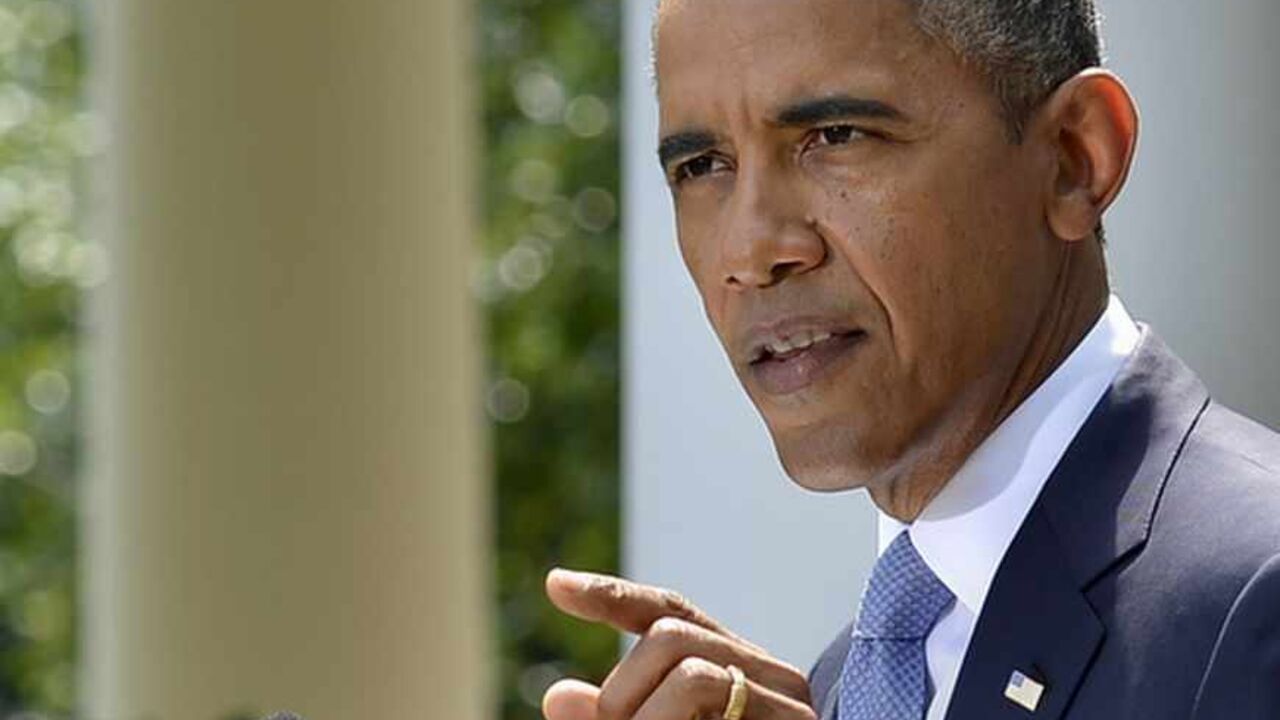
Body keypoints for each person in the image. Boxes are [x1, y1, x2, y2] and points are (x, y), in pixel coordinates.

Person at [540, 0, 1280, 718]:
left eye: (836, 135)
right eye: (702, 166)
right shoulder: (834, 685)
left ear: (1075, 158)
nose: (751, 250)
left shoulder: (1254, 598)